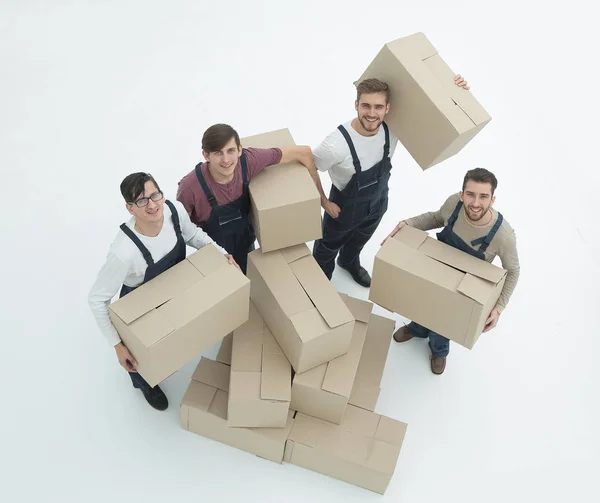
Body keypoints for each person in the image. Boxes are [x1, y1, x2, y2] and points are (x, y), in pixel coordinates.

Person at [88, 172, 239, 410]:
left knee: (180, 332)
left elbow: (192, 235)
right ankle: (146, 383)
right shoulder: (123, 252)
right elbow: (97, 299)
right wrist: (118, 345)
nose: (152, 204)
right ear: (130, 208)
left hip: (174, 284)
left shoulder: (173, 211)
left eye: (154, 195)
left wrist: (222, 254)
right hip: (141, 301)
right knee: (139, 359)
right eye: (141, 201)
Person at [312, 75, 470, 286]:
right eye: (366, 106)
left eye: (378, 107)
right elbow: (308, 168)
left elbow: (432, 115)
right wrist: (324, 202)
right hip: (342, 211)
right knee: (326, 250)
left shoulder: (393, 128)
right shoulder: (335, 145)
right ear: (356, 105)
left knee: (359, 239)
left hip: (377, 203)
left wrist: (453, 90)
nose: (371, 113)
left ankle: (348, 261)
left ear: (387, 108)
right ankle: (318, 287)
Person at [381, 168, 520, 374]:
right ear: (462, 194)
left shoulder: (503, 235)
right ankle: (417, 329)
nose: (475, 203)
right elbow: (437, 218)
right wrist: (408, 224)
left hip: (462, 287)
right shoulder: (454, 203)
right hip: (436, 268)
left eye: (483, 196)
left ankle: (439, 351)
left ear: (492, 199)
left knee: (444, 323)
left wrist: (498, 307)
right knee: (422, 301)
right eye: (470, 194)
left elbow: (513, 270)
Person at [176, 123, 332, 274]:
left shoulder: (248, 161)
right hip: (214, 256)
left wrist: (323, 201)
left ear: (239, 150)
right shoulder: (190, 187)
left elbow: (303, 152)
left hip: (246, 244)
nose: (226, 160)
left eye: (231, 150)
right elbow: (180, 231)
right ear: (206, 155)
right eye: (218, 153)